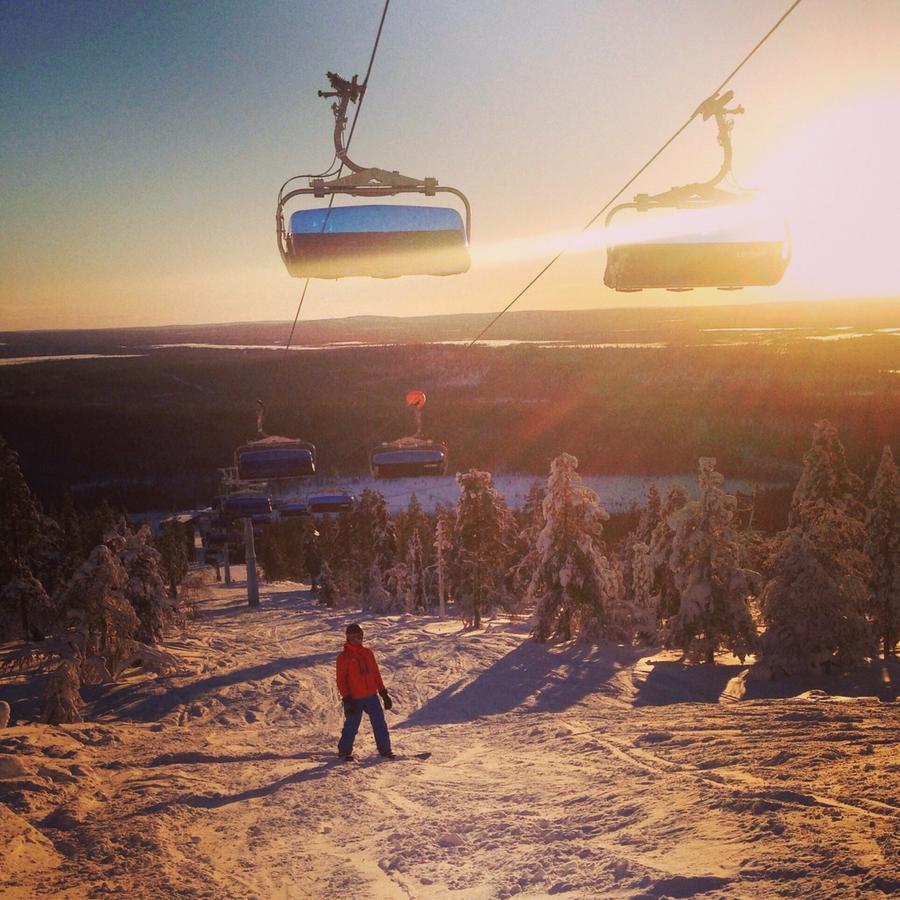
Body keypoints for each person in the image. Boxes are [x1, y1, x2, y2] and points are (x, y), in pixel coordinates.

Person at [336, 623, 394, 761]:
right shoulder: (343, 657)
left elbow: (375, 674)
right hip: (354, 698)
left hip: (371, 696)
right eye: (354, 638)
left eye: (360, 637)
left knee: (379, 722)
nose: (357, 640)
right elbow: (341, 680)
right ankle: (344, 751)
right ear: (348, 638)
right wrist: (346, 698)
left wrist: (383, 693)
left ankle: (385, 750)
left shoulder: (368, 653)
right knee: (352, 724)